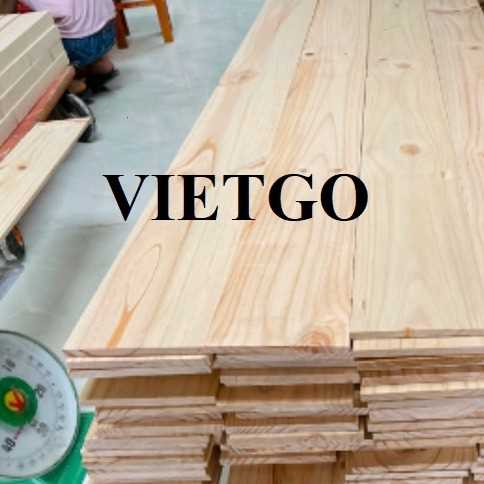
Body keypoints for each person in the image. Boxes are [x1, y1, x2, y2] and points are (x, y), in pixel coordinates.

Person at [0, 0, 118, 87]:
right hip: (109, 32)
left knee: (29, 48)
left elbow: (5, 19)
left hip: (82, 44)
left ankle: (70, 86)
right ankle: (102, 65)